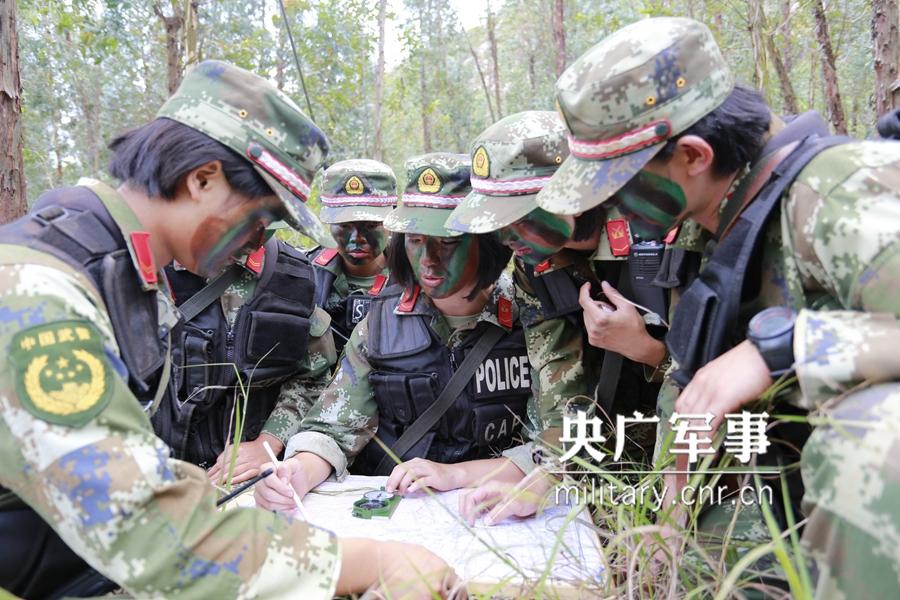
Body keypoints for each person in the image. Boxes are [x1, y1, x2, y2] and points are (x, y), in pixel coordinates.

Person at [0, 60, 454, 599]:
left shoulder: (112, 269)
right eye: (257, 220)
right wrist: (371, 563)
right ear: (202, 179)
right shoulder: (38, 294)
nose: (256, 243)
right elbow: (147, 534)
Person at [534, 17, 900, 598]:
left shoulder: (837, 194)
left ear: (693, 155)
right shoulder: (715, 220)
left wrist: (785, 349)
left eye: (617, 184)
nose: (605, 207)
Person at [255, 153, 536, 510]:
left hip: (498, 510)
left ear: (489, 241)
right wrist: (297, 472)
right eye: (416, 239)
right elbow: (334, 427)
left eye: (447, 242)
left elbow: (556, 444)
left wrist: (458, 474)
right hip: (398, 505)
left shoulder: (531, 317)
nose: (429, 259)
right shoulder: (380, 324)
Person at [445, 110, 676, 519]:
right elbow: (560, 386)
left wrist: (647, 350)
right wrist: (546, 476)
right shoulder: (535, 267)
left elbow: (720, 373)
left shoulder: (661, 237)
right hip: (612, 455)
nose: (505, 238)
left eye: (516, 219)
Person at [155, 228, 339, 484]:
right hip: (154, 475)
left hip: (254, 479)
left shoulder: (291, 274)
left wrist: (269, 442)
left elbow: (312, 378)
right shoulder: (149, 264)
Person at [308, 159, 395, 355]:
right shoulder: (305, 273)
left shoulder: (417, 275)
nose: (357, 238)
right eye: (345, 226)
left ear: (390, 222)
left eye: (371, 226)